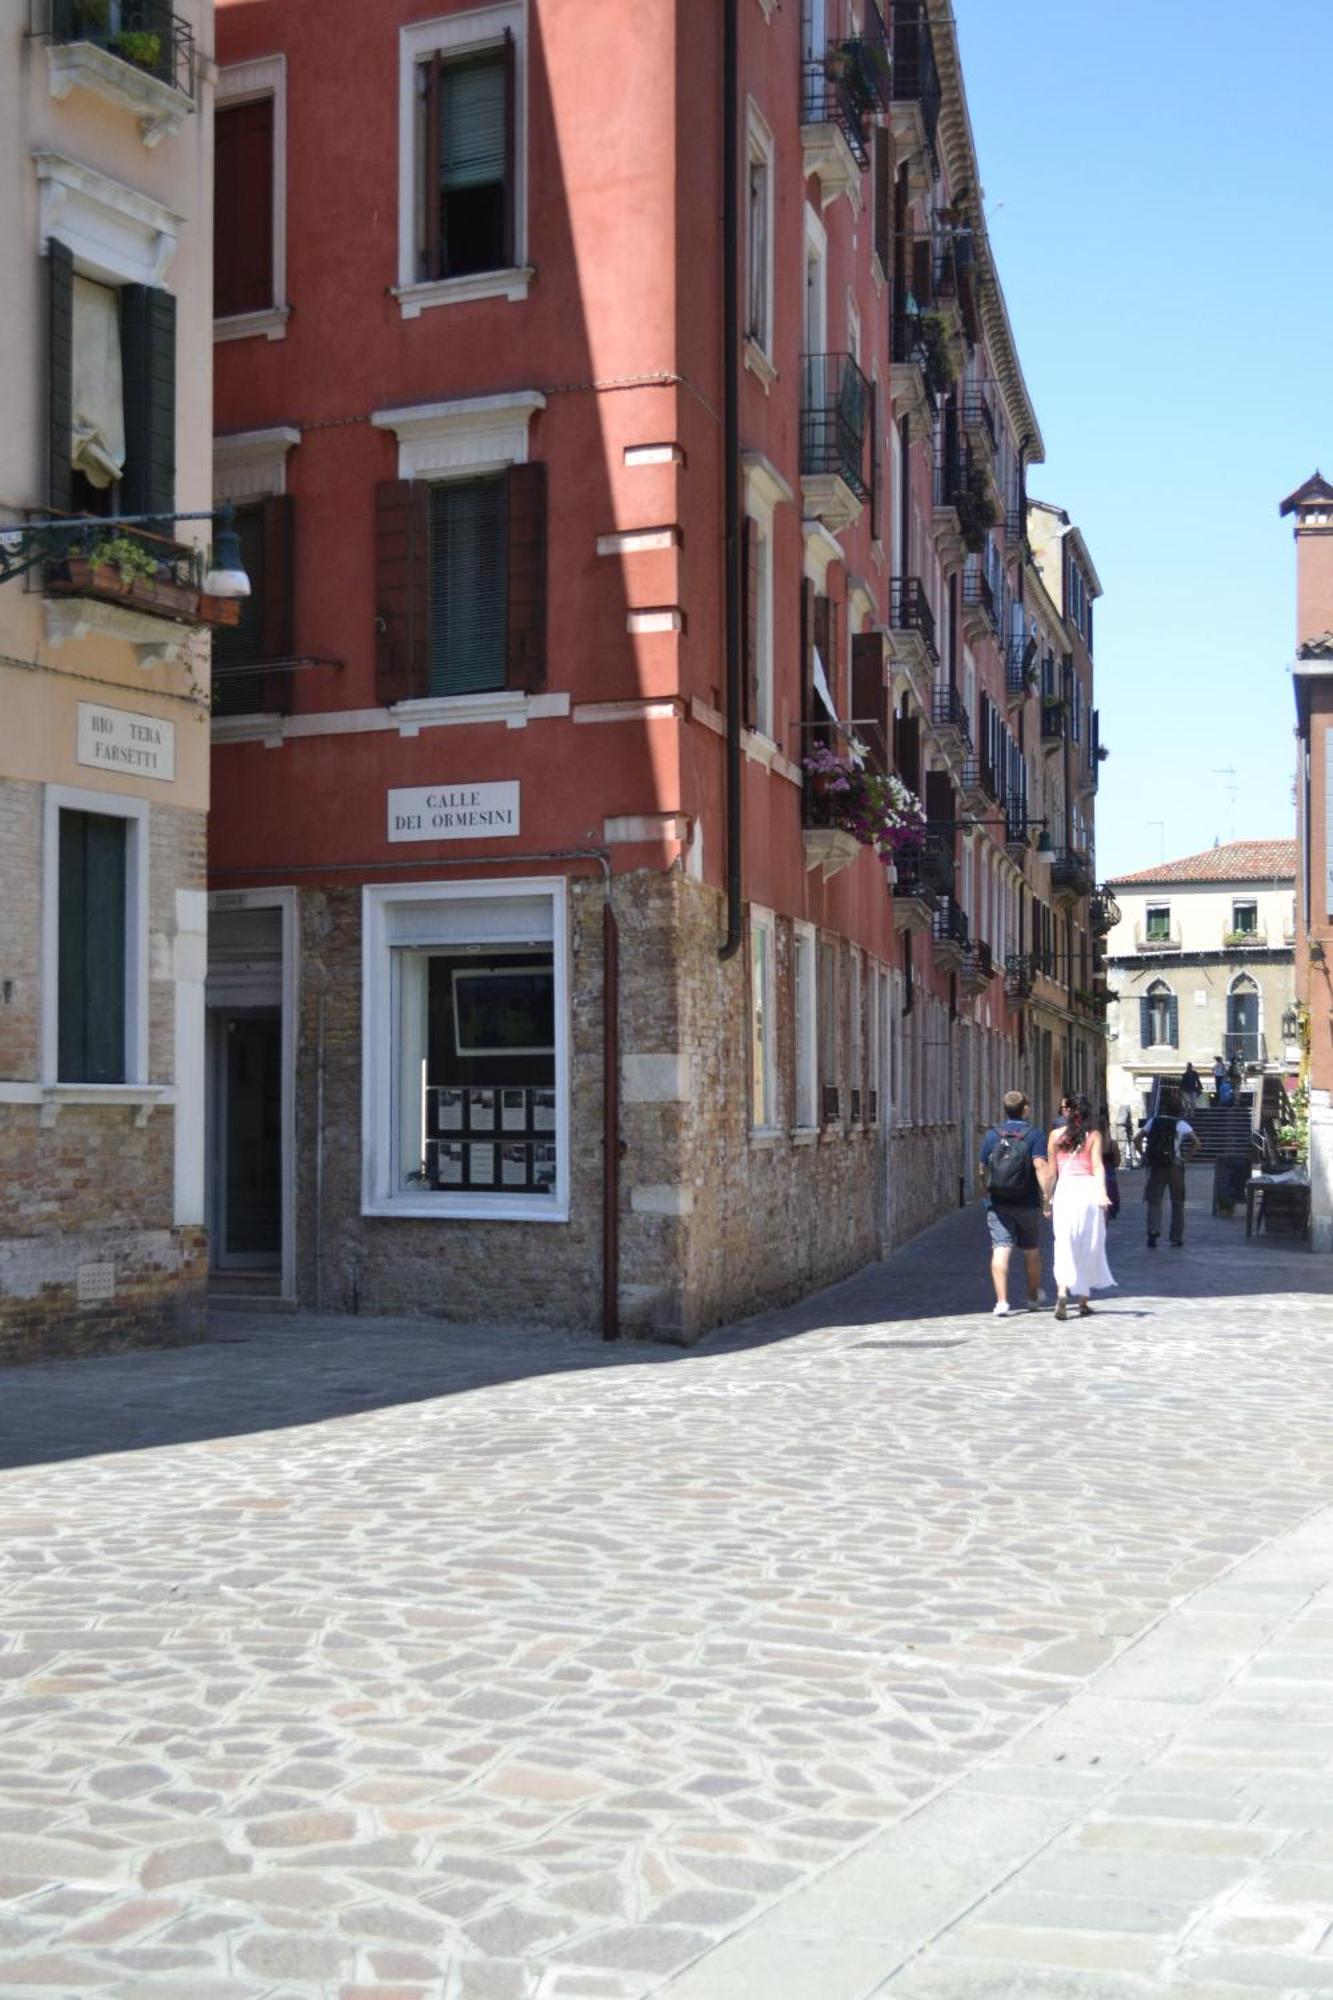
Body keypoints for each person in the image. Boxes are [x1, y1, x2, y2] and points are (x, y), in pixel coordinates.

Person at [1039, 1094, 1115, 1319]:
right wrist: (1102, 1193)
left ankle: (1062, 1292)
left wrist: (1047, 1199)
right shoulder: (1094, 1136)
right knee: (1088, 1244)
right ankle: (1083, 1302)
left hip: (1065, 1191)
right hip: (1087, 1191)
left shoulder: (1054, 1136)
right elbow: (1098, 1166)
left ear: (1067, 1112)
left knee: (1064, 1243)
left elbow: (1051, 1173)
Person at [979, 1090, 1049, 1317]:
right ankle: (1032, 1297)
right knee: (1030, 1250)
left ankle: (1001, 1301)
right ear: (1026, 1109)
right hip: (1027, 1201)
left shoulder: (992, 1135)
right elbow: (1039, 1166)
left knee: (1000, 1248)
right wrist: (1047, 1196)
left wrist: (986, 1189)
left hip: (998, 1201)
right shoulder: (1035, 1135)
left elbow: (982, 1168)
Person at [1140, 1086, 1200, 1247]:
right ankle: (1176, 1237)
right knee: (1178, 1202)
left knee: (1154, 1201)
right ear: (1179, 1109)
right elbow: (1196, 1143)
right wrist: (1185, 1158)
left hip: (1156, 1165)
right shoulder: (1181, 1124)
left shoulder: (1154, 1121)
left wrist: (1144, 1155)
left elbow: (1137, 1138)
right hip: (1175, 1165)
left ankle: (1153, 1232)